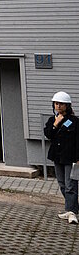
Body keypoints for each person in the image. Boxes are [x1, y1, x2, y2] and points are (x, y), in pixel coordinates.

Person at [44, 91, 79, 224]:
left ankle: (72, 212)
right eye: (56, 103)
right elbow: (48, 134)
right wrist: (55, 124)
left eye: (61, 104)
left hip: (70, 157)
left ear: (67, 106)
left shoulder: (74, 121)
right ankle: (73, 208)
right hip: (57, 157)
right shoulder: (52, 120)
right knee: (62, 184)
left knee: (71, 185)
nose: (58, 106)